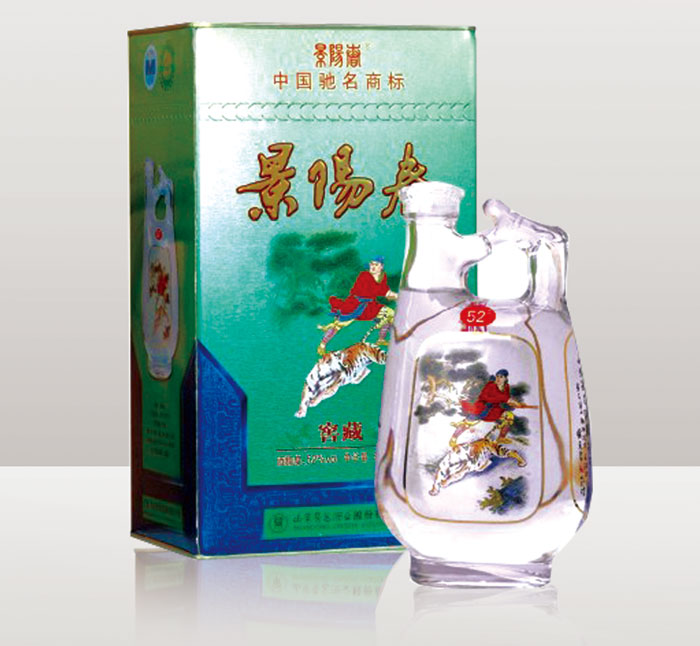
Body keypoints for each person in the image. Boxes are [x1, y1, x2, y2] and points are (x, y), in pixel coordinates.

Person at [317, 256, 397, 355]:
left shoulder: (382, 277)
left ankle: (381, 339)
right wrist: (392, 295)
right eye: (371, 264)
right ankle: (322, 345)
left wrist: (395, 295)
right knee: (338, 325)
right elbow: (378, 291)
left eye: (376, 265)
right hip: (354, 305)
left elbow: (384, 290)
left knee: (390, 314)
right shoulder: (364, 275)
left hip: (369, 306)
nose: (373, 266)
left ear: (381, 266)